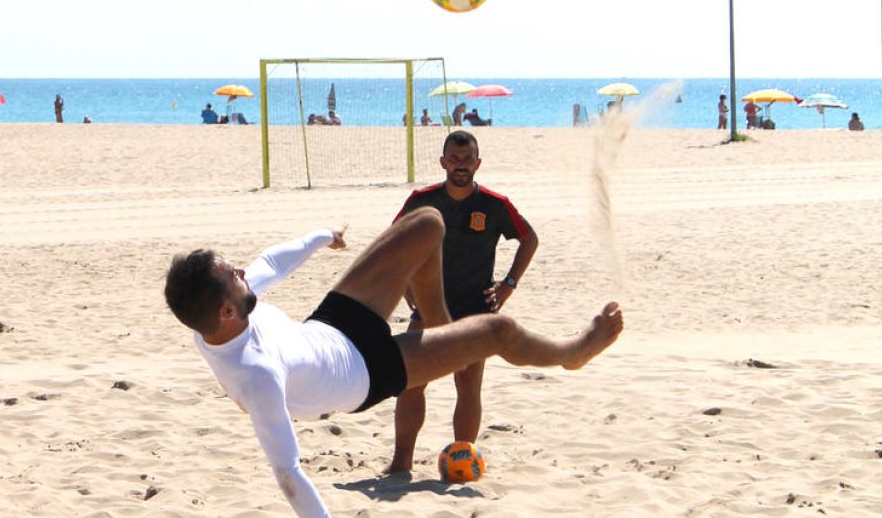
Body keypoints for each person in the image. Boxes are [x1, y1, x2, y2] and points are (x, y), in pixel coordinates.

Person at [164, 208, 623, 517]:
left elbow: (270, 263)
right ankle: (572, 354)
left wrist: (325, 237)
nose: (243, 273)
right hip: (365, 371)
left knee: (427, 223)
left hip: (332, 325)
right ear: (226, 310)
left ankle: (438, 328)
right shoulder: (257, 375)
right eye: (233, 275)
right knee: (495, 331)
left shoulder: (218, 314)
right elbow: (288, 473)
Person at [384, 130, 539, 475]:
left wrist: (509, 284)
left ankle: (462, 463)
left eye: (467, 159)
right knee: (410, 384)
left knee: (467, 388)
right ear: (443, 162)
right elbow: (393, 241)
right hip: (427, 308)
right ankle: (400, 464)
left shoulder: (495, 205)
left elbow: (529, 238)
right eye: (453, 159)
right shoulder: (422, 200)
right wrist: (405, 283)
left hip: (474, 312)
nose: (460, 166)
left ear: (477, 163)